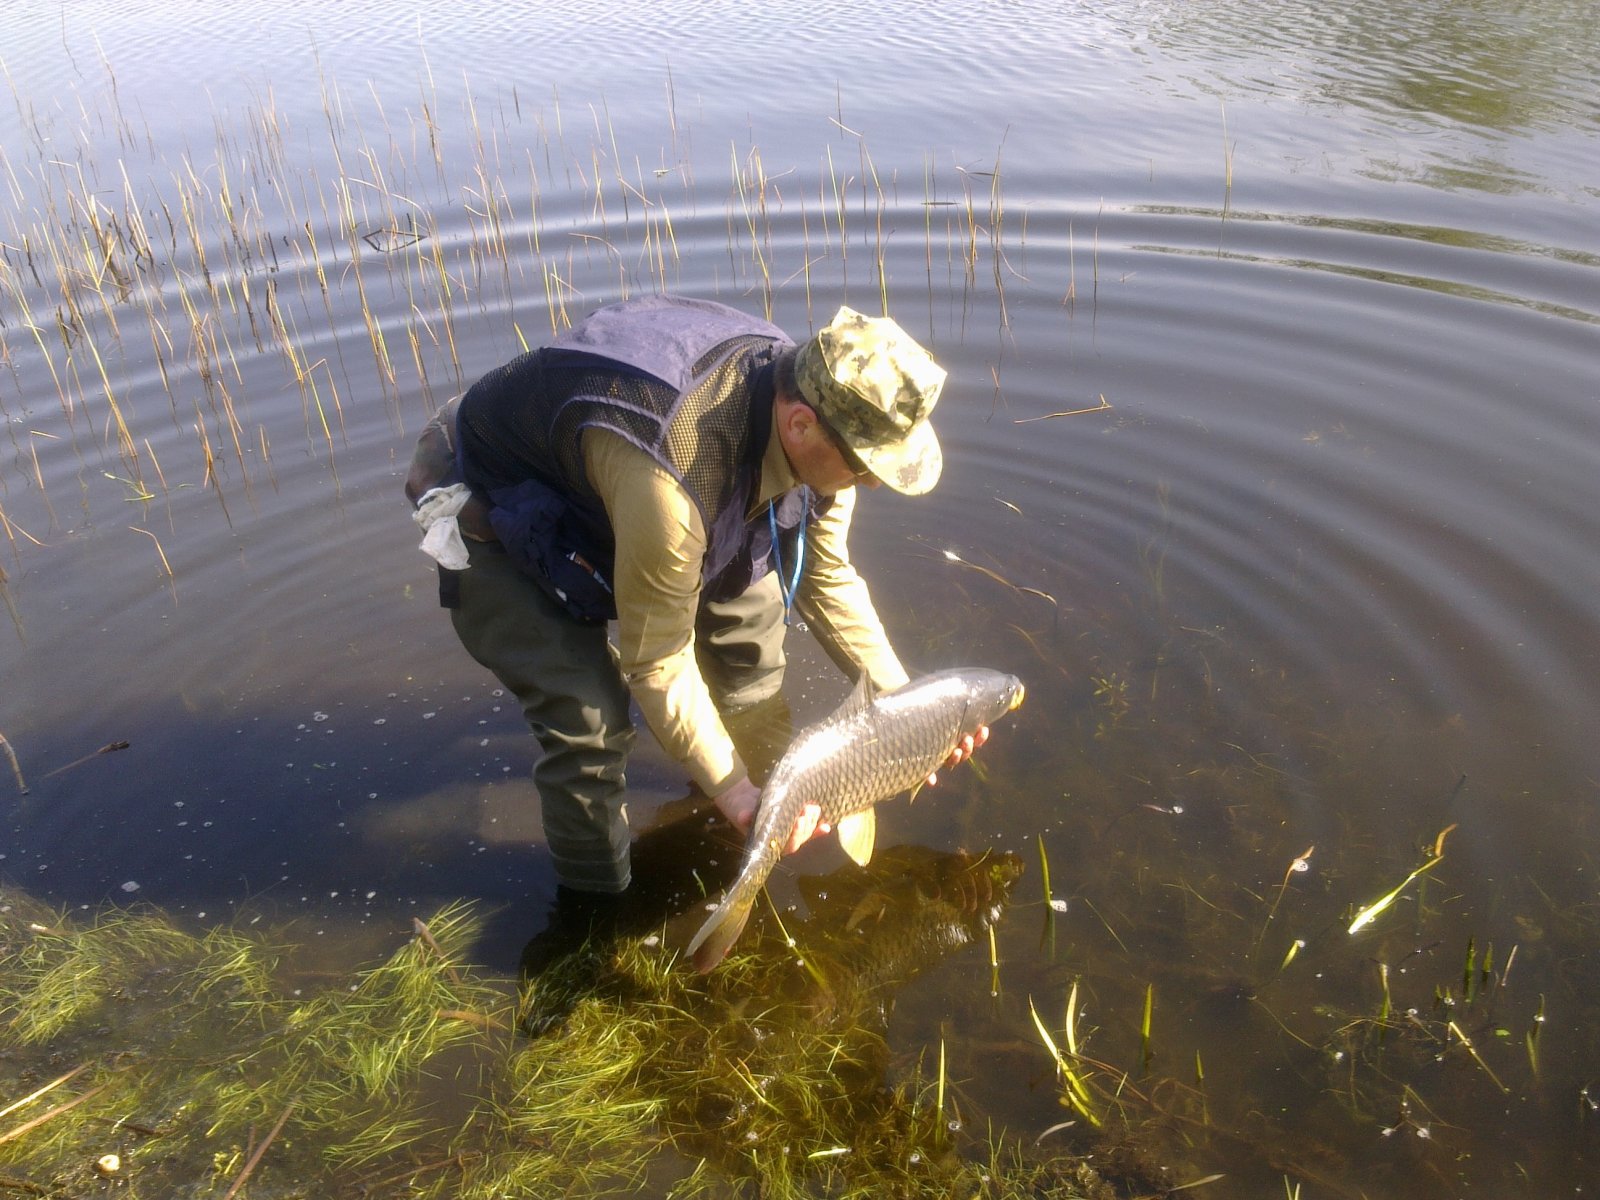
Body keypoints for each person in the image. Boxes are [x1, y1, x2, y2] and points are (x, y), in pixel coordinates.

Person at [406, 295, 986, 899]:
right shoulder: (674, 480)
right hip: (493, 495)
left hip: (640, 490)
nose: (873, 481)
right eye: (867, 466)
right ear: (799, 425)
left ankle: (714, 793)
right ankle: (595, 912)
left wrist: (911, 710)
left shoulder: (825, 409)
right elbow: (657, 661)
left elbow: (826, 573)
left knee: (750, 638)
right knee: (590, 721)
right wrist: (738, 795)